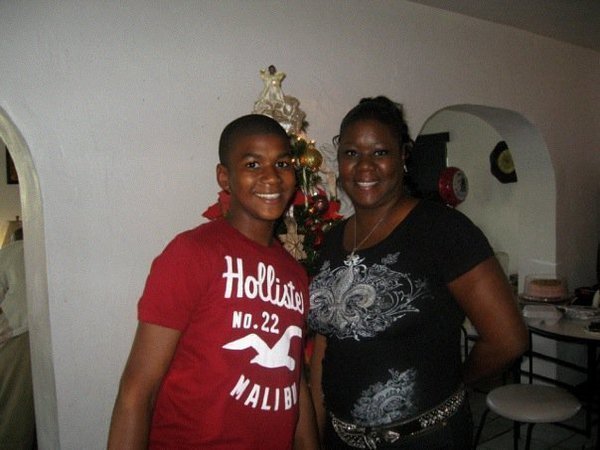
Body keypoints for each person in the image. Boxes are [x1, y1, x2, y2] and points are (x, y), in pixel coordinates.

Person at [308, 97, 528, 449]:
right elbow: (325, 342)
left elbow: (508, 340)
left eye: (380, 152)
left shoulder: (444, 230)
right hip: (340, 438)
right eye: (351, 153)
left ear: (403, 155)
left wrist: (454, 382)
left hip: (425, 438)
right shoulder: (334, 239)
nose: (364, 166)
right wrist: (317, 434)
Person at [108, 114, 319, 449]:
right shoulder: (192, 254)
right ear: (225, 177)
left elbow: (292, 383)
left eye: (282, 163)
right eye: (252, 164)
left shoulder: (294, 273)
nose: (271, 177)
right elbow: (137, 391)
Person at [0, 227, 36, 450]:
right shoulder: (39, 253)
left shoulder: (8, 253)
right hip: (32, 333)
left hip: (13, 336)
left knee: (10, 418)